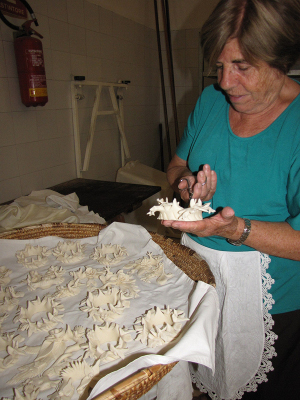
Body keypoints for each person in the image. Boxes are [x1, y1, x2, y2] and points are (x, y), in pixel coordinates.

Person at [162, 0, 300, 399]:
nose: (225, 82)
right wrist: (185, 187)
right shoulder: (209, 102)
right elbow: (175, 166)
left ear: (281, 58)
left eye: (242, 66)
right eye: (219, 66)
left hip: (273, 308)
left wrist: (234, 229)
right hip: (201, 283)